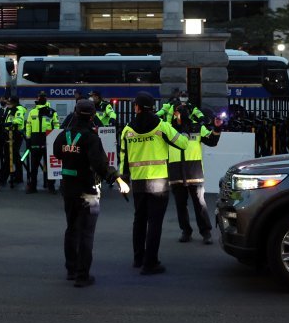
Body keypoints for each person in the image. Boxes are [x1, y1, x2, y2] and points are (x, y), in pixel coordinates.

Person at [53, 99, 130, 287]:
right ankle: (82, 275)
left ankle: (71, 269)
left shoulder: (64, 135)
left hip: (68, 188)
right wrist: (118, 179)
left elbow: (57, 153)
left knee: (71, 229)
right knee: (86, 233)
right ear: (94, 116)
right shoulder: (91, 138)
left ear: (75, 113)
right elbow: (100, 164)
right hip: (88, 190)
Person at [119, 92, 188, 275]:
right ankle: (150, 263)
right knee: (154, 223)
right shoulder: (162, 126)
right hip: (158, 182)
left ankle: (138, 258)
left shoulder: (127, 130)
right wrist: (181, 125)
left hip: (138, 181)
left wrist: (122, 182)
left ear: (137, 107)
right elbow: (183, 144)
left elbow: (123, 160)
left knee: (139, 220)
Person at [168, 100, 223, 244]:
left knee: (200, 204)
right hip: (176, 173)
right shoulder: (169, 128)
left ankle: (206, 232)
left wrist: (217, 128)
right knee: (181, 205)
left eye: (182, 110)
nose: (179, 113)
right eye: (177, 110)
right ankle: (186, 231)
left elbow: (212, 141)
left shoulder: (197, 127)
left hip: (194, 172)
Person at [24, 94, 59, 194]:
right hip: (48, 138)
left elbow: (28, 126)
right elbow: (56, 125)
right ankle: (50, 187)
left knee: (34, 165)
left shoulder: (32, 112)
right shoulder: (52, 112)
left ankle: (33, 187)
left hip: (35, 139)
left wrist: (28, 138)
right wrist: (55, 138)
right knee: (49, 165)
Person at [7, 96, 27, 188]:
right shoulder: (13, 109)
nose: (8, 104)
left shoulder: (18, 109)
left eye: (9, 102)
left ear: (14, 102)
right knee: (14, 155)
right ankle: (17, 174)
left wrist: (9, 123)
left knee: (15, 155)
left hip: (17, 134)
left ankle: (19, 176)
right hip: (12, 133)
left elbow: (18, 120)